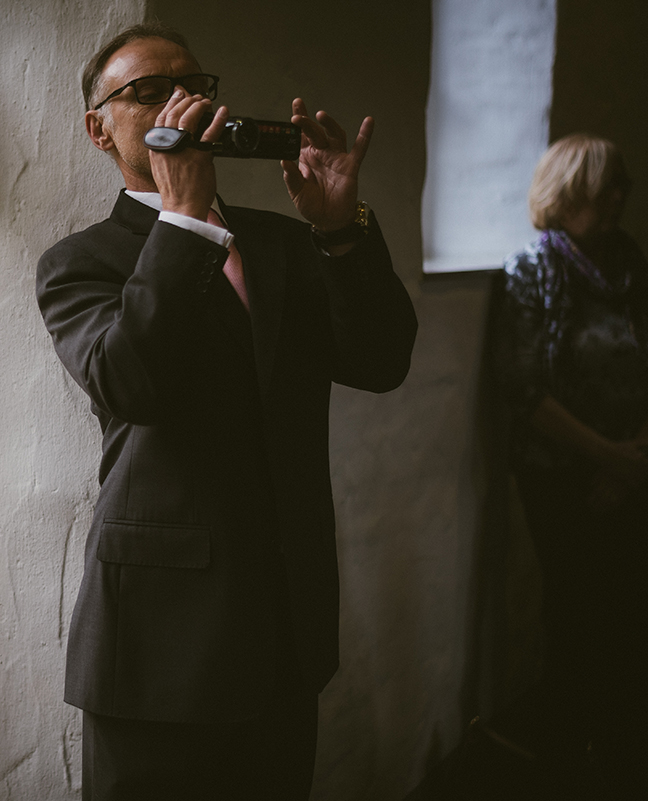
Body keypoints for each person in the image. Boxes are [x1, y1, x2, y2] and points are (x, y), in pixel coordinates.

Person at [35, 24, 417, 800]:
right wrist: (182, 216)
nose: (182, 100)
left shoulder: (285, 242)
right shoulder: (80, 262)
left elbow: (381, 363)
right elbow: (130, 383)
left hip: (286, 630)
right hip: (156, 651)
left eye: (196, 84)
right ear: (97, 128)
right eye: (147, 91)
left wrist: (341, 232)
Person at [494, 134, 648, 791]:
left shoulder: (628, 261)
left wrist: (632, 458)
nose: (614, 200)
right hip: (561, 471)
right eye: (599, 188)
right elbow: (524, 392)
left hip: (632, 463)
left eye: (620, 187)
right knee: (579, 608)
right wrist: (606, 457)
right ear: (565, 193)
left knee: (625, 607)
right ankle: (569, 752)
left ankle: (615, 747)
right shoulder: (534, 267)